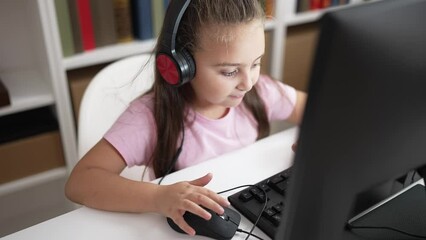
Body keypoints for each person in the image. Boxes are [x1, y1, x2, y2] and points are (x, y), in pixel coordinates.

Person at [65, 0, 307, 236]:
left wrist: (318, 142)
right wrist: (159, 198)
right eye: (230, 71)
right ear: (182, 64)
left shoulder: (262, 92)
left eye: (256, 63)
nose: (247, 83)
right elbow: (80, 182)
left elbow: (319, 110)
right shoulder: (149, 117)